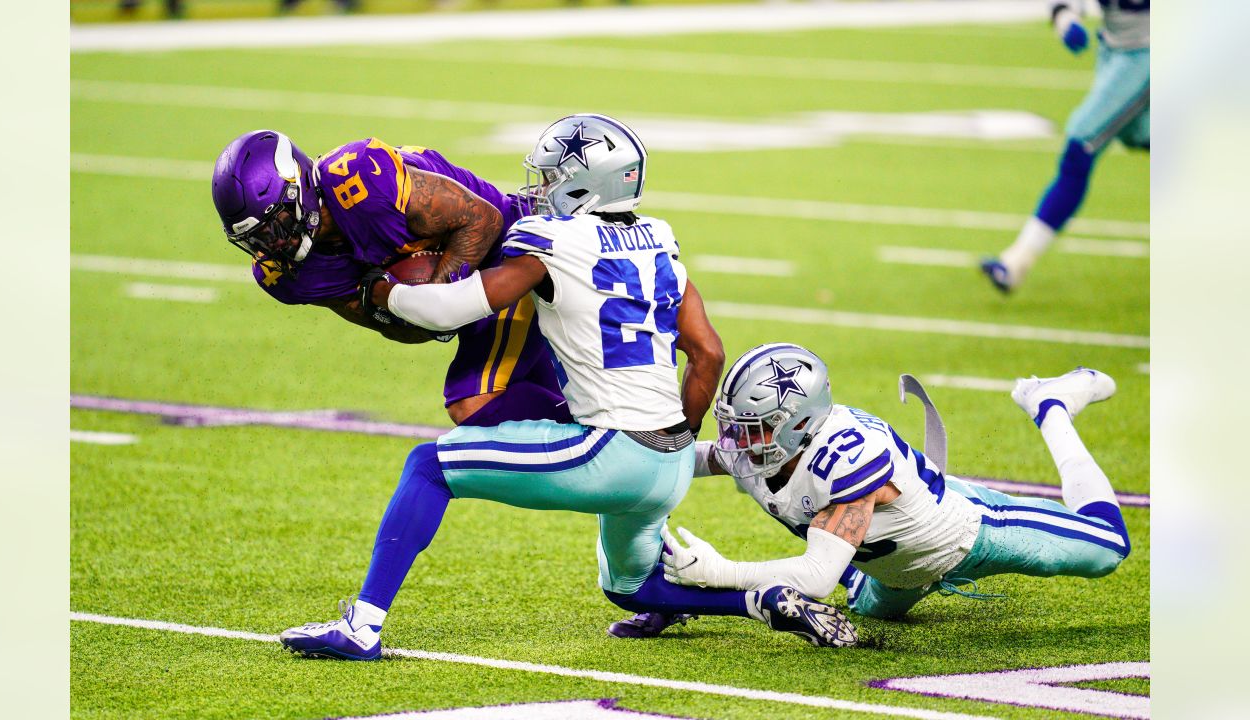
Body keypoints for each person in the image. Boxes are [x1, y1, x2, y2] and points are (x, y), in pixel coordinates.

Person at [277, 115, 858, 661]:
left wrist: (383, 293)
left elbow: (452, 305)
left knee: (428, 466)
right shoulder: (662, 245)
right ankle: (762, 601)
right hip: (670, 464)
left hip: (610, 453)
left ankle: (363, 626)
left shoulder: (552, 240)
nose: (543, 186)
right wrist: (681, 436)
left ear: (584, 185)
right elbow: (708, 353)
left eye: (554, 175)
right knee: (632, 590)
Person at [611, 346, 1129, 634]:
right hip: (894, 570)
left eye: (756, 427)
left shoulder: (846, 457)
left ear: (799, 422)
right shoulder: (763, 447)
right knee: (871, 609)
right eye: (738, 425)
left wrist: (719, 574)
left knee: (1108, 550)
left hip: (970, 533)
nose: (740, 441)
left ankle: (1052, 406)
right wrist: (631, 457)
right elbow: (693, 459)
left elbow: (814, 577)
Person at [212, 130, 570, 427]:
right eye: (255, 240)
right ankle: (605, 435)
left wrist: (437, 297)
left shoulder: (360, 181)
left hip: (510, 249)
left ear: (300, 187)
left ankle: (605, 435)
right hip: (473, 285)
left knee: (473, 403)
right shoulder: (286, 275)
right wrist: (405, 311)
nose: (274, 245)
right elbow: (398, 328)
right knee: (554, 395)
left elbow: (483, 220)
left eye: (276, 226)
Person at [981, 1, 1149, 293]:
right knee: (1139, 135)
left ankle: (1016, 262)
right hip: (1113, 50)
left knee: (1081, 143)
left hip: (1147, 53)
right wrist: (1065, 19)